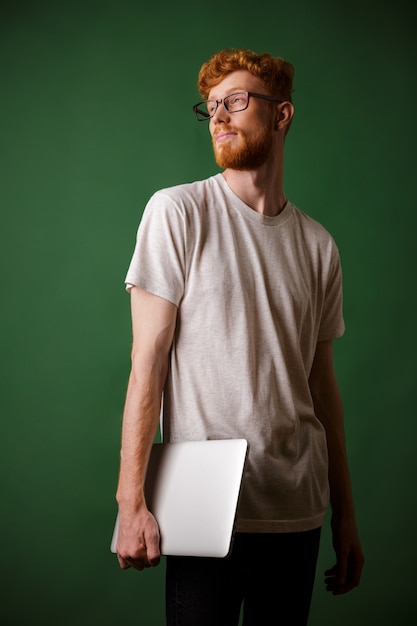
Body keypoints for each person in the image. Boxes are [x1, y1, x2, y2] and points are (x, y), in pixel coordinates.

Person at [115, 48, 364, 625]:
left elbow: (323, 390)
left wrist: (345, 515)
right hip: (205, 507)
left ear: (282, 116)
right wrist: (131, 501)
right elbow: (145, 365)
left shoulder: (319, 246)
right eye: (211, 107)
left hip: (298, 508)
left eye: (237, 101)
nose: (220, 116)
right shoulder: (178, 212)